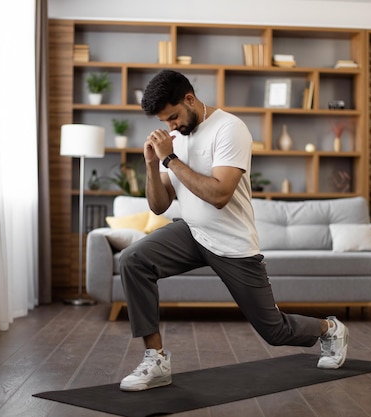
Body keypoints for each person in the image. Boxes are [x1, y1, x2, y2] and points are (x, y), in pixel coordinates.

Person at [119, 70, 348, 392]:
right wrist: (149, 165)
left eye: (173, 117)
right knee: (133, 260)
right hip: (192, 233)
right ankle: (155, 359)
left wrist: (169, 158)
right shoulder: (176, 138)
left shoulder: (229, 129)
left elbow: (218, 195)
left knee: (274, 331)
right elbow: (158, 206)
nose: (170, 126)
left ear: (189, 99)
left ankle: (329, 328)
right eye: (165, 121)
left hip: (232, 243)